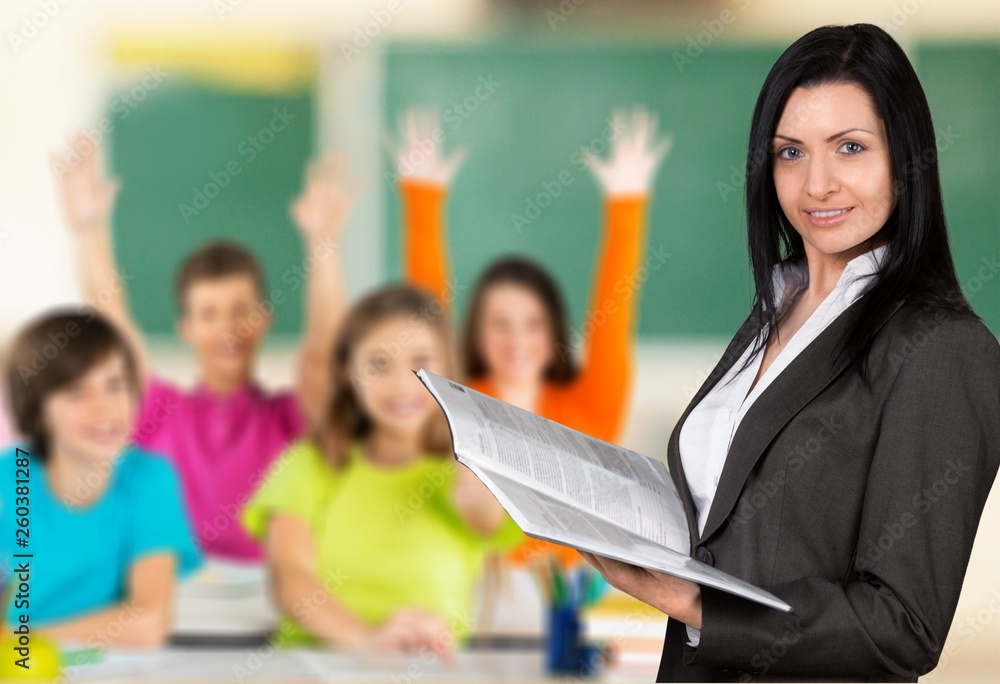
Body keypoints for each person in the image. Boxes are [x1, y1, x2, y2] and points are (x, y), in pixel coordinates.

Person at [574, 24, 1000, 683]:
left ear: (906, 158)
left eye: (850, 148)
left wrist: (696, 605)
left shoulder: (945, 350)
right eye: (790, 153)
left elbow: (903, 625)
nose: (817, 184)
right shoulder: (774, 308)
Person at [391, 106, 671, 567]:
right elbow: (428, 319)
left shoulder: (588, 408)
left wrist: (626, 203)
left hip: (566, 608)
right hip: (475, 607)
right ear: (477, 334)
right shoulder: (456, 407)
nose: (517, 340)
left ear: (553, 332)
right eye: (500, 324)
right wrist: (422, 201)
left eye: (532, 324)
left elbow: (613, 319)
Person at [54, 142, 359, 561]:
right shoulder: (158, 411)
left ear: (264, 319)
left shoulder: (291, 416)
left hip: (269, 604)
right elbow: (113, 324)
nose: (227, 328)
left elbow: (324, 353)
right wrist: (89, 232)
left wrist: (323, 245)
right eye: (209, 314)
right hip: (172, 606)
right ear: (187, 329)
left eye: (240, 311)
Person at [241, 285, 523, 656]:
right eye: (378, 364)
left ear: (449, 369)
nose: (402, 383)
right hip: (314, 668)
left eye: (422, 362)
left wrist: (474, 442)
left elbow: (484, 515)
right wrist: (367, 641)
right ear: (346, 373)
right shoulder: (310, 464)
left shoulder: (468, 475)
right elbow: (291, 579)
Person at [1, 311, 202, 646]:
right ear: (37, 410)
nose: (104, 409)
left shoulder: (150, 480)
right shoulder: (9, 482)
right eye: (76, 393)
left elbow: (149, 623)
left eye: (115, 385)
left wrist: (18, 640)